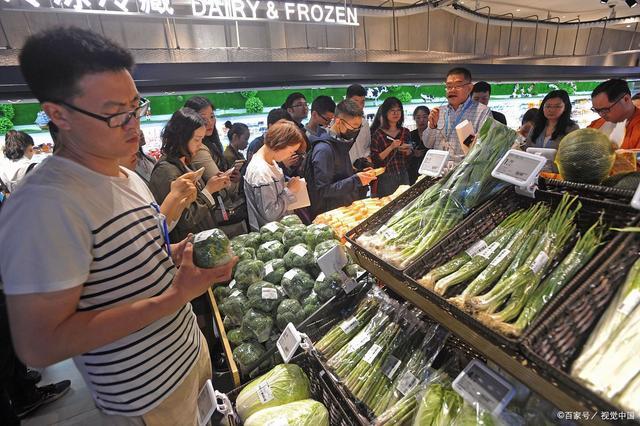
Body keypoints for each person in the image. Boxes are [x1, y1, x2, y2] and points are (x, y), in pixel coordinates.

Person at [0, 27, 237, 424]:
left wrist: (175, 253)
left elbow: (129, 260)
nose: (134, 126)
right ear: (59, 114)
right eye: (116, 114)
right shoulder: (42, 205)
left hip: (188, 358)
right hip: (147, 396)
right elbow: (40, 344)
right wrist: (175, 296)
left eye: (136, 107)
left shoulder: (126, 176)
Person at [149, 108, 231, 243]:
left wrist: (214, 186)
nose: (200, 145)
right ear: (181, 138)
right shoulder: (166, 171)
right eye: (197, 140)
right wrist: (209, 190)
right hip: (185, 245)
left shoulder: (185, 162)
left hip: (200, 241)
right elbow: (184, 219)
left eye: (202, 139)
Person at [186, 96, 247, 237]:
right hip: (213, 215)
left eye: (212, 116)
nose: (209, 122)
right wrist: (231, 182)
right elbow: (221, 184)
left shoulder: (210, 144)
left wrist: (233, 178)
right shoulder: (200, 149)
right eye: (203, 118)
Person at [307, 99, 377, 219]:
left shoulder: (340, 143)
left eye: (359, 127)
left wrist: (359, 174)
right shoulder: (324, 149)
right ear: (338, 121)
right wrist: (356, 180)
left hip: (346, 210)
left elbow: (339, 175)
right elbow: (323, 190)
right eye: (353, 127)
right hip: (331, 216)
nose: (356, 131)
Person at [119, 141, 197, 229]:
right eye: (197, 139)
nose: (135, 150)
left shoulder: (133, 177)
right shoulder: (165, 169)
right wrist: (174, 196)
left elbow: (161, 226)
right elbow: (151, 229)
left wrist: (181, 203)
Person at [244, 120, 306, 230]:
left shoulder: (269, 162)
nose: (291, 155)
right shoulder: (261, 172)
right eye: (291, 151)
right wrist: (290, 190)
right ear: (280, 144)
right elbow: (270, 213)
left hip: (279, 229)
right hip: (271, 233)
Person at [422, 67, 490, 163]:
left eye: (458, 86)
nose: (452, 90)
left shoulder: (482, 111)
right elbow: (427, 144)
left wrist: (469, 139)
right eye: (449, 86)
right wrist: (432, 126)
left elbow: (485, 146)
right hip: (438, 167)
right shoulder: (439, 111)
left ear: (469, 88)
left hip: (464, 168)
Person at [370, 97, 413, 196]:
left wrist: (408, 151)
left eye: (398, 110)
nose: (396, 113)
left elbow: (410, 156)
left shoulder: (405, 131)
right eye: (392, 110)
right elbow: (375, 159)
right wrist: (391, 147)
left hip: (403, 174)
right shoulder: (378, 134)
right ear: (385, 113)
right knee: (387, 203)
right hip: (386, 177)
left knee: (405, 201)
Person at [588, 79, 640, 149]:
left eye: (605, 110)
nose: (601, 115)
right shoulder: (596, 124)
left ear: (626, 99)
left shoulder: (637, 128)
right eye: (597, 110)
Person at [346, 84, 373, 170]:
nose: (359, 105)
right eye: (355, 101)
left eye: (362, 101)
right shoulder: (338, 123)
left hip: (361, 169)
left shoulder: (364, 123)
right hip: (344, 170)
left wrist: (366, 159)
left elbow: (367, 146)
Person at [408, 105, 430, 184]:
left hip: (429, 171)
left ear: (429, 118)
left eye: (424, 117)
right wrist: (412, 153)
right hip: (412, 172)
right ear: (414, 118)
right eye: (418, 117)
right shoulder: (410, 135)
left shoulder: (433, 134)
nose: (421, 120)